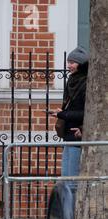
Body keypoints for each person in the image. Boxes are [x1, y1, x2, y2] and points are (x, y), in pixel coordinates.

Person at [50, 46, 89, 177]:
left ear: (81, 64)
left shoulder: (87, 83)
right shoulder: (71, 80)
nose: (68, 65)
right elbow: (72, 107)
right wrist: (62, 111)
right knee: (65, 177)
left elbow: (87, 113)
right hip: (68, 134)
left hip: (77, 135)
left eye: (72, 62)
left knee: (72, 180)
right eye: (68, 62)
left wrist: (63, 114)